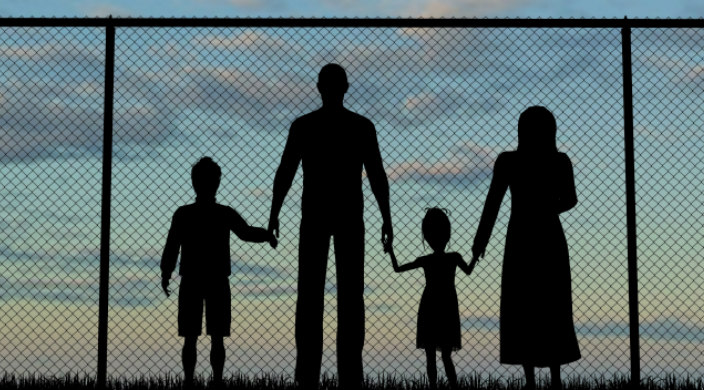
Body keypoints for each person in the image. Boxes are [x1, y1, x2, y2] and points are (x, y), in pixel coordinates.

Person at [268, 63, 393, 390]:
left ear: (320, 87)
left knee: (310, 293)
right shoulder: (361, 127)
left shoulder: (305, 126)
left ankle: (308, 374)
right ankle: (350, 374)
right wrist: (386, 217)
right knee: (351, 294)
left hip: (316, 213)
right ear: (345, 87)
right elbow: (377, 175)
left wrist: (274, 212)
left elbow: (285, 172)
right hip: (348, 213)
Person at [472, 106, 580, 390]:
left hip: (521, 235)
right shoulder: (559, 161)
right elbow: (569, 200)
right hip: (547, 235)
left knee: (525, 304)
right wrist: (548, 207)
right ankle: (554, 378)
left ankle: (532, 379)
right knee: (549, 304)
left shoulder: (509, 161)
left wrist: (481, 239)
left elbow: (493, 201)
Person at [161, 157, 277, 387]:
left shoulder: (185, 214)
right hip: (214, 279)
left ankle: (190, 382)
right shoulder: (222, 213)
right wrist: (267, 235)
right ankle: (215, 381)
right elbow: (245, 233)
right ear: (217, 183)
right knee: (214, 336)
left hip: (195, 278)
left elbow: (172, 244)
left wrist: (166, 272)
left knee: (193, 337)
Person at [386, 208, 477, 390]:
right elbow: (468, 270)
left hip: (430, 305)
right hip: (446, 305)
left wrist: (391, 251)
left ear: (427, 236)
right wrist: (476, 254)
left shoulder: (428, 260)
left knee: (432, 354)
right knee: (444, 354)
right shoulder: (453, 257)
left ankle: (435, 387)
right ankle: (452, 387)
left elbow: (397, 268)